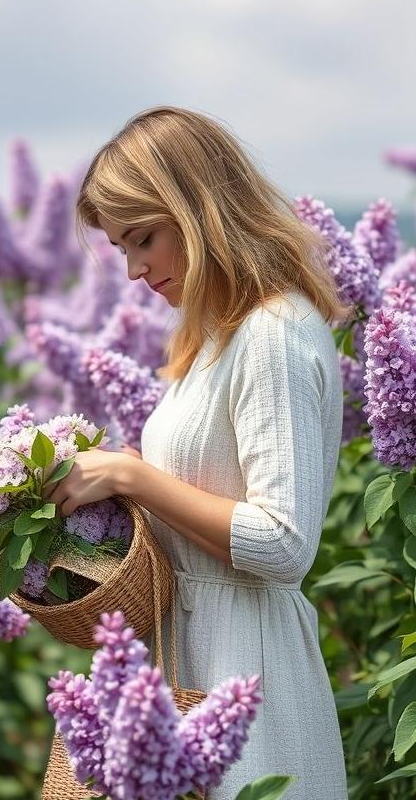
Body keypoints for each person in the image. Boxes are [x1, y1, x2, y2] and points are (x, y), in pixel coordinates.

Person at [46, 105, 350, 799]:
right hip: (189, 660)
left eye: (141, 238)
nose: (131, 269)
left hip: (248, 675)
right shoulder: (213, 342)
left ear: (196, 206)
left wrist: (131, 474)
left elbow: (282, 542)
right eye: (120, 247)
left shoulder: (272, 332)